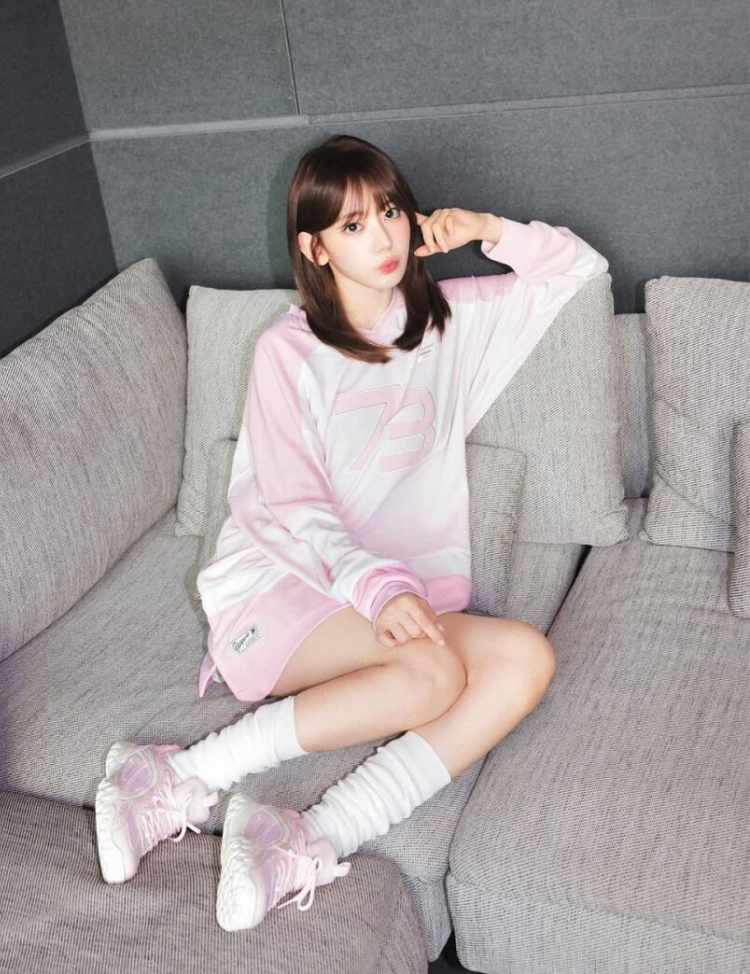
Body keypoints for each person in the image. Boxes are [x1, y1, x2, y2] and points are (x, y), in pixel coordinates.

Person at [94, 134, 609, 932]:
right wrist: (379, 587)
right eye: (353, 226)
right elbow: (294, 507)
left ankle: (308, 837)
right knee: (433, 676)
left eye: (391, 212)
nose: (383, 238)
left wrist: (486, 230)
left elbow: (580, 269)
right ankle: (179, 776)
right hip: (282, 589)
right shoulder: (289, 351)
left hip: (386, 605)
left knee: (526, 661)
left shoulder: (444, 324)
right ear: (315, 248)